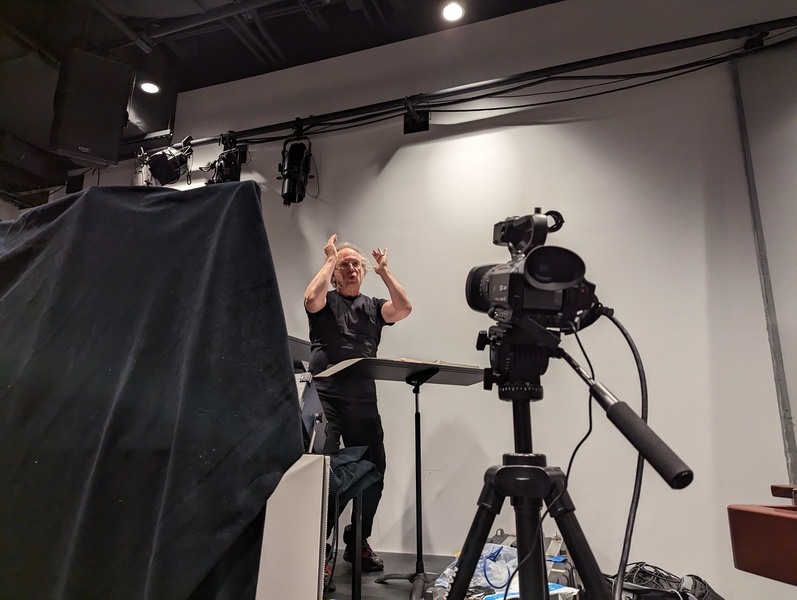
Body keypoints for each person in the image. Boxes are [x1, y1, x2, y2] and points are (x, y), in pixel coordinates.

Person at [304, 234, 412, 572]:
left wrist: (384, 271)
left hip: (362, 401)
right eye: (343, 265)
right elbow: (309, 298)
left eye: (355, 265)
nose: (350, 269)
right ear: (335, 274)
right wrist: (328, 259)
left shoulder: (373, 306)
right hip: (325, 399)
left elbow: (404, 308)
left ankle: (357, 542)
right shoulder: (325, 302)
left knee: (373, 472)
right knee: (323, 473)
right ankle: (318, 544)